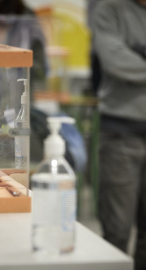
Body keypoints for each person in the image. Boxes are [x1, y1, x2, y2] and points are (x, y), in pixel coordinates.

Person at [92, 0, 146, 269]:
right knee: (117, 230)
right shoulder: (110, 9)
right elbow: (115, 61)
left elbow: (129, 62)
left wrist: (138, 56)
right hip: (121, 134)